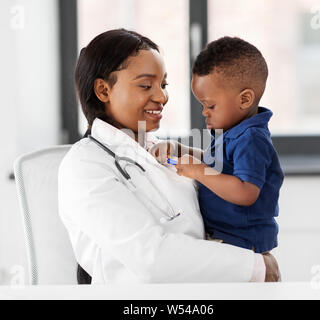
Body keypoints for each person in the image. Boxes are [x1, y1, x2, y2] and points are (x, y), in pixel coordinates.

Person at [58, 29, 280, 284]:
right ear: (103, 90)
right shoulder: (85, 165)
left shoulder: (159, 150)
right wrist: (255, 267)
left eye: (163, 85)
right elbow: (151, 257)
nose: (162, 97)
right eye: (145, 85)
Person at [150, 37, 284, 255]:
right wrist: (178, 149)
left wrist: (199, 171)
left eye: (210, 105)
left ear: (245, 99)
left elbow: (245, 192)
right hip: (225, 239)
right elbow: (218, 163)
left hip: (243, 244)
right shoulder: (234, 130)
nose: (204, 112)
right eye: (202, 105)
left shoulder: (252, 139)